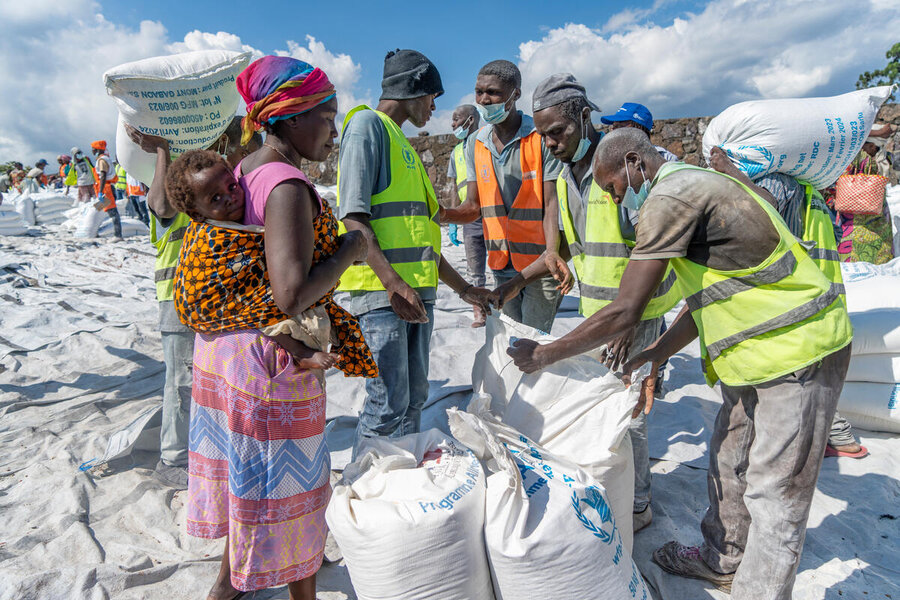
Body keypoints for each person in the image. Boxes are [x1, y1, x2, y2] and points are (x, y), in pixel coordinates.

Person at [508, 127, 853, 598]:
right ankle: (723, 561)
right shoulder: (690, 187)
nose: (613, 200)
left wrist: (544, 354)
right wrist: (657, 353)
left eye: (611, 187)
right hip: (753, 357)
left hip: (800, 352)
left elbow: (626, 308)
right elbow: (705, 297)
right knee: (729, 460)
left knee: (776, 496)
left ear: (634, 163)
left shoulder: (672, 195)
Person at [178, 56, 368, 600]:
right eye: (326, 116)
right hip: (268, 368)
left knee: (251, 485)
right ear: (287, 118)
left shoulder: (242, 171)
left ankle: (229, 583)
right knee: (295, 488)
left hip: (226, 354)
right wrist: (353, 246)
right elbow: (292, 293)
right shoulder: (284, 184)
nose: (334, 129)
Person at [507, 74, 680, 534]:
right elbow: (578, 246)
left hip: (634, 316)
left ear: (585, 117)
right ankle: (615, 490)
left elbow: (653, 251)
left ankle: (638, 504)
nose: (549, 143)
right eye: (542, 135)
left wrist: (628, 320)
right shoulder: (564, 175)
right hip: (600, 315)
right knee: (604, 408)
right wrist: (541, 269)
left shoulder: (620, 171)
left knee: (630, 414)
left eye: (557, 132)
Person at [337, 49, 492, 449]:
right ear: (411, 89)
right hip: (383, 294)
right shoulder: (367, 127)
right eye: (431, 95)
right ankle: (367, 485)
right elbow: (354, 219)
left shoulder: (402, 145)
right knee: (387, 402)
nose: (434, 106)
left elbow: (420, 240)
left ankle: (399, 477)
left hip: (413, 294)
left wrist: (465, 290)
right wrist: (391, 283)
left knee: (412, 400)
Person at [124, 114, 264, 495]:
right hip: (179, 297)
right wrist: (163, 152)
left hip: (221, 301)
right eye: (248, 143)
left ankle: (208, 454)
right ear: (227, 145)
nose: (252, 150)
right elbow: (161, 206)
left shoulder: (227, 188)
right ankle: (173, 458)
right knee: (184, 382)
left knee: (212, 380)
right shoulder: (189, 184)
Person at [707, 147, 868, 460]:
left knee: (799, 381)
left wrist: (732, 173)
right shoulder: (814, 193)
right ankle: (836, 436)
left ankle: (826, 437)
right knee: (816, 376)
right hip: (826, 297)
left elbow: (765, 209)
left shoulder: (781, 183)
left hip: (802, 298)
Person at [440, 60, 565, 333]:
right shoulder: (476, 142)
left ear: (515, 94)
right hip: (501, 260)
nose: (485, 99)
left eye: (493, 92)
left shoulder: (539, 137)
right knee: (508, 339)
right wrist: (443, 214)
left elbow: (552, 202)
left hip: (539, 263)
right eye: (479, 92)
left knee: (533, 341)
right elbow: (473, 206)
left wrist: (553, 252)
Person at [447, 103, 488, 326]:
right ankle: (480, 312)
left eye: (456, 119)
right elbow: (454, 186)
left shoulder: (487, 141)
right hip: (468, 217)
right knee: (475, 270)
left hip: (492, 213)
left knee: (503, 265)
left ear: (470, 119)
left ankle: (510, 309)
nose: (453, 124)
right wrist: (453, 219)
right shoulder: (456, 152)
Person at [830, 131, 895, 264]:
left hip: (850, 213)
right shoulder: (869, 161)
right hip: (873, 210)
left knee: (850, 241)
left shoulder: (846, 157)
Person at [91, 140, 122, 239]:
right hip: (105, 188)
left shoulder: (102, 160)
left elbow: (103, 176)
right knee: (100, 209)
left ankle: (118, 235)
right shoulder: (104, 158)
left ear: (97, 149)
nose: (92, 150)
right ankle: (95, 231)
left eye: (93, 148)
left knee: (112, 212)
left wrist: (100, 192)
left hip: (106, 189)